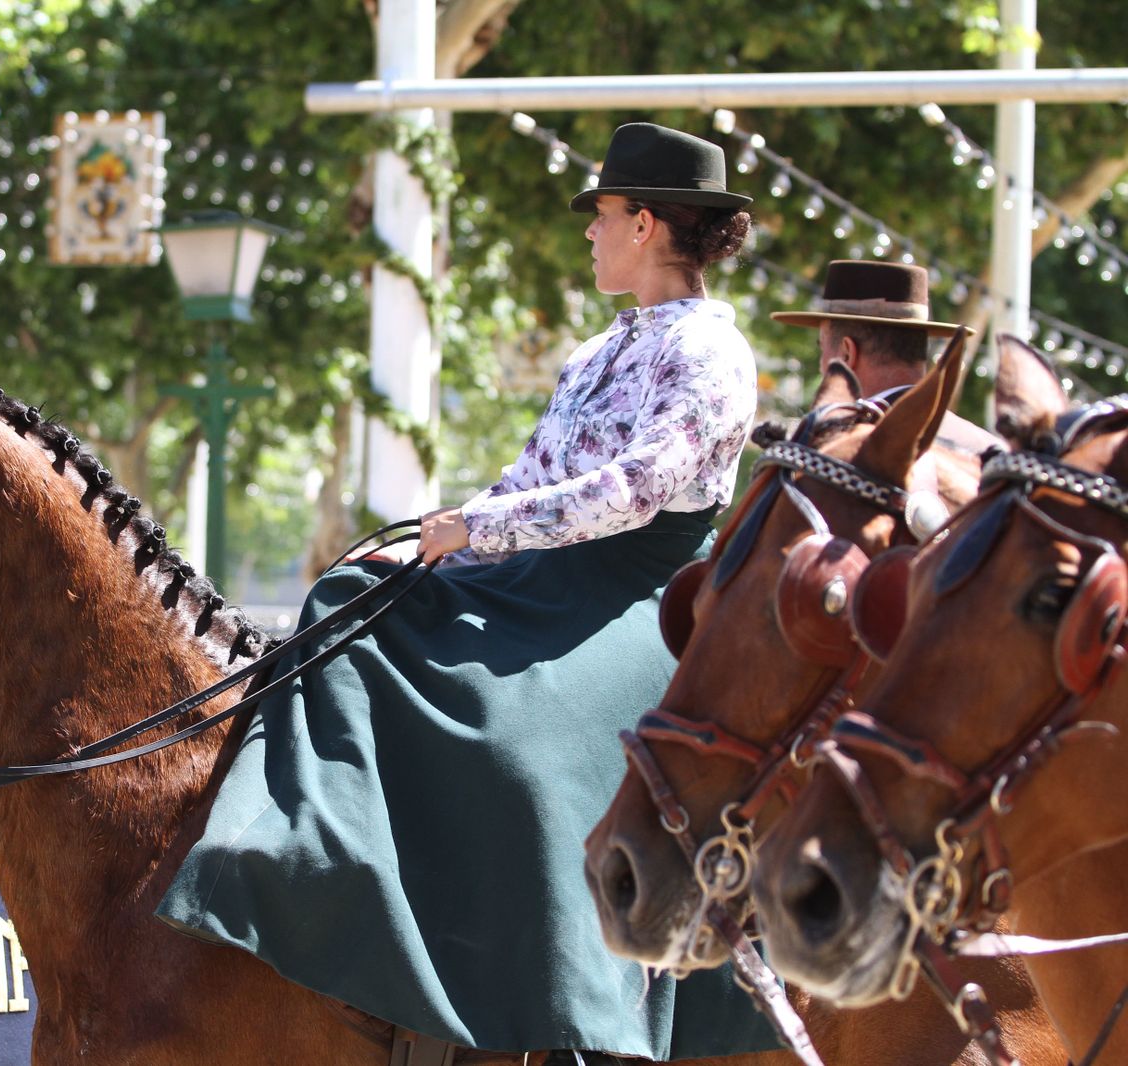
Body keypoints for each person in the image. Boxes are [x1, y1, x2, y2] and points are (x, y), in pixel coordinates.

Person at [157, 123, 779, 1060]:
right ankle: (302, 870)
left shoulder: (715, 356)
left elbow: (636, 491)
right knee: (346, 603)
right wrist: (428, 544)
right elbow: (529, 475)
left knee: (506, 738)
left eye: (602, 215)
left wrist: (476, 533)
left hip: (636, 596)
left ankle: (568, 1013)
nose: (592, 233)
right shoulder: (593, 353)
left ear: (646, 223)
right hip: (538, 576)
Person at [769, 258, 997, 463]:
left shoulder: (839, 453)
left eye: (823, 350)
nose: (821, 365)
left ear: (847, 354)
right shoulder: (987, 450)